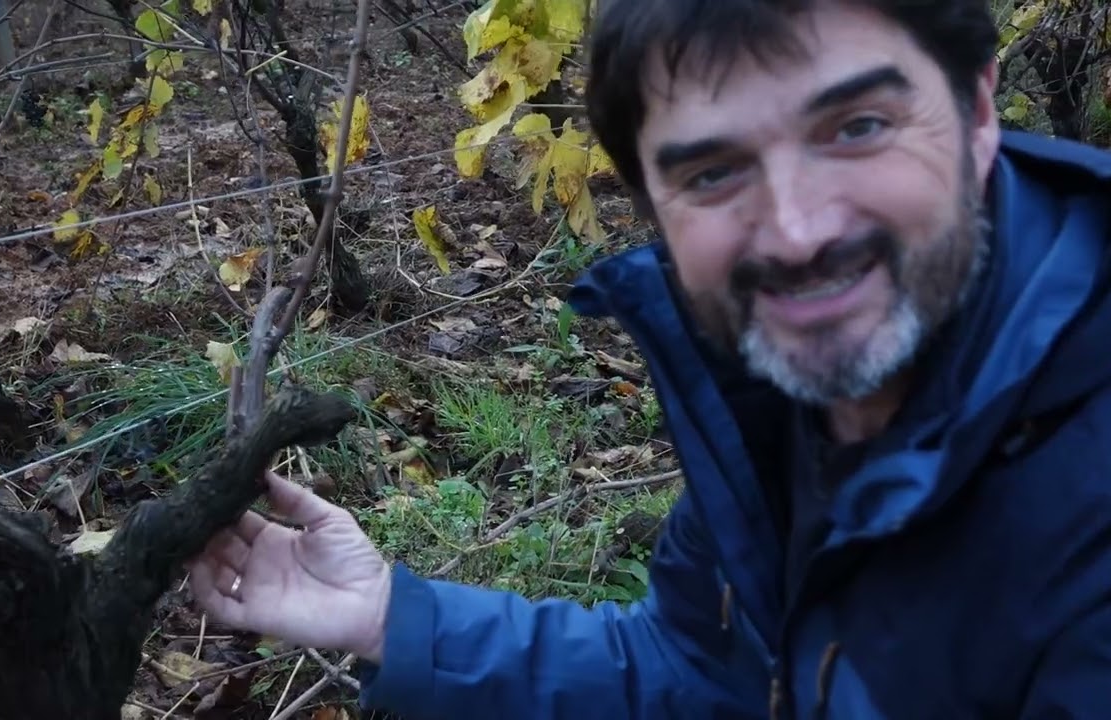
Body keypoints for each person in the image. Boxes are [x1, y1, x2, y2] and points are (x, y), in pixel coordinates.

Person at [186, 0, 1111, 717]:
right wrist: (392, 618)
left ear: (979, 106)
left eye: (857, 127)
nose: (794, 232)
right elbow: (705, 676)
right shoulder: (785, 395)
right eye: (712, 173)